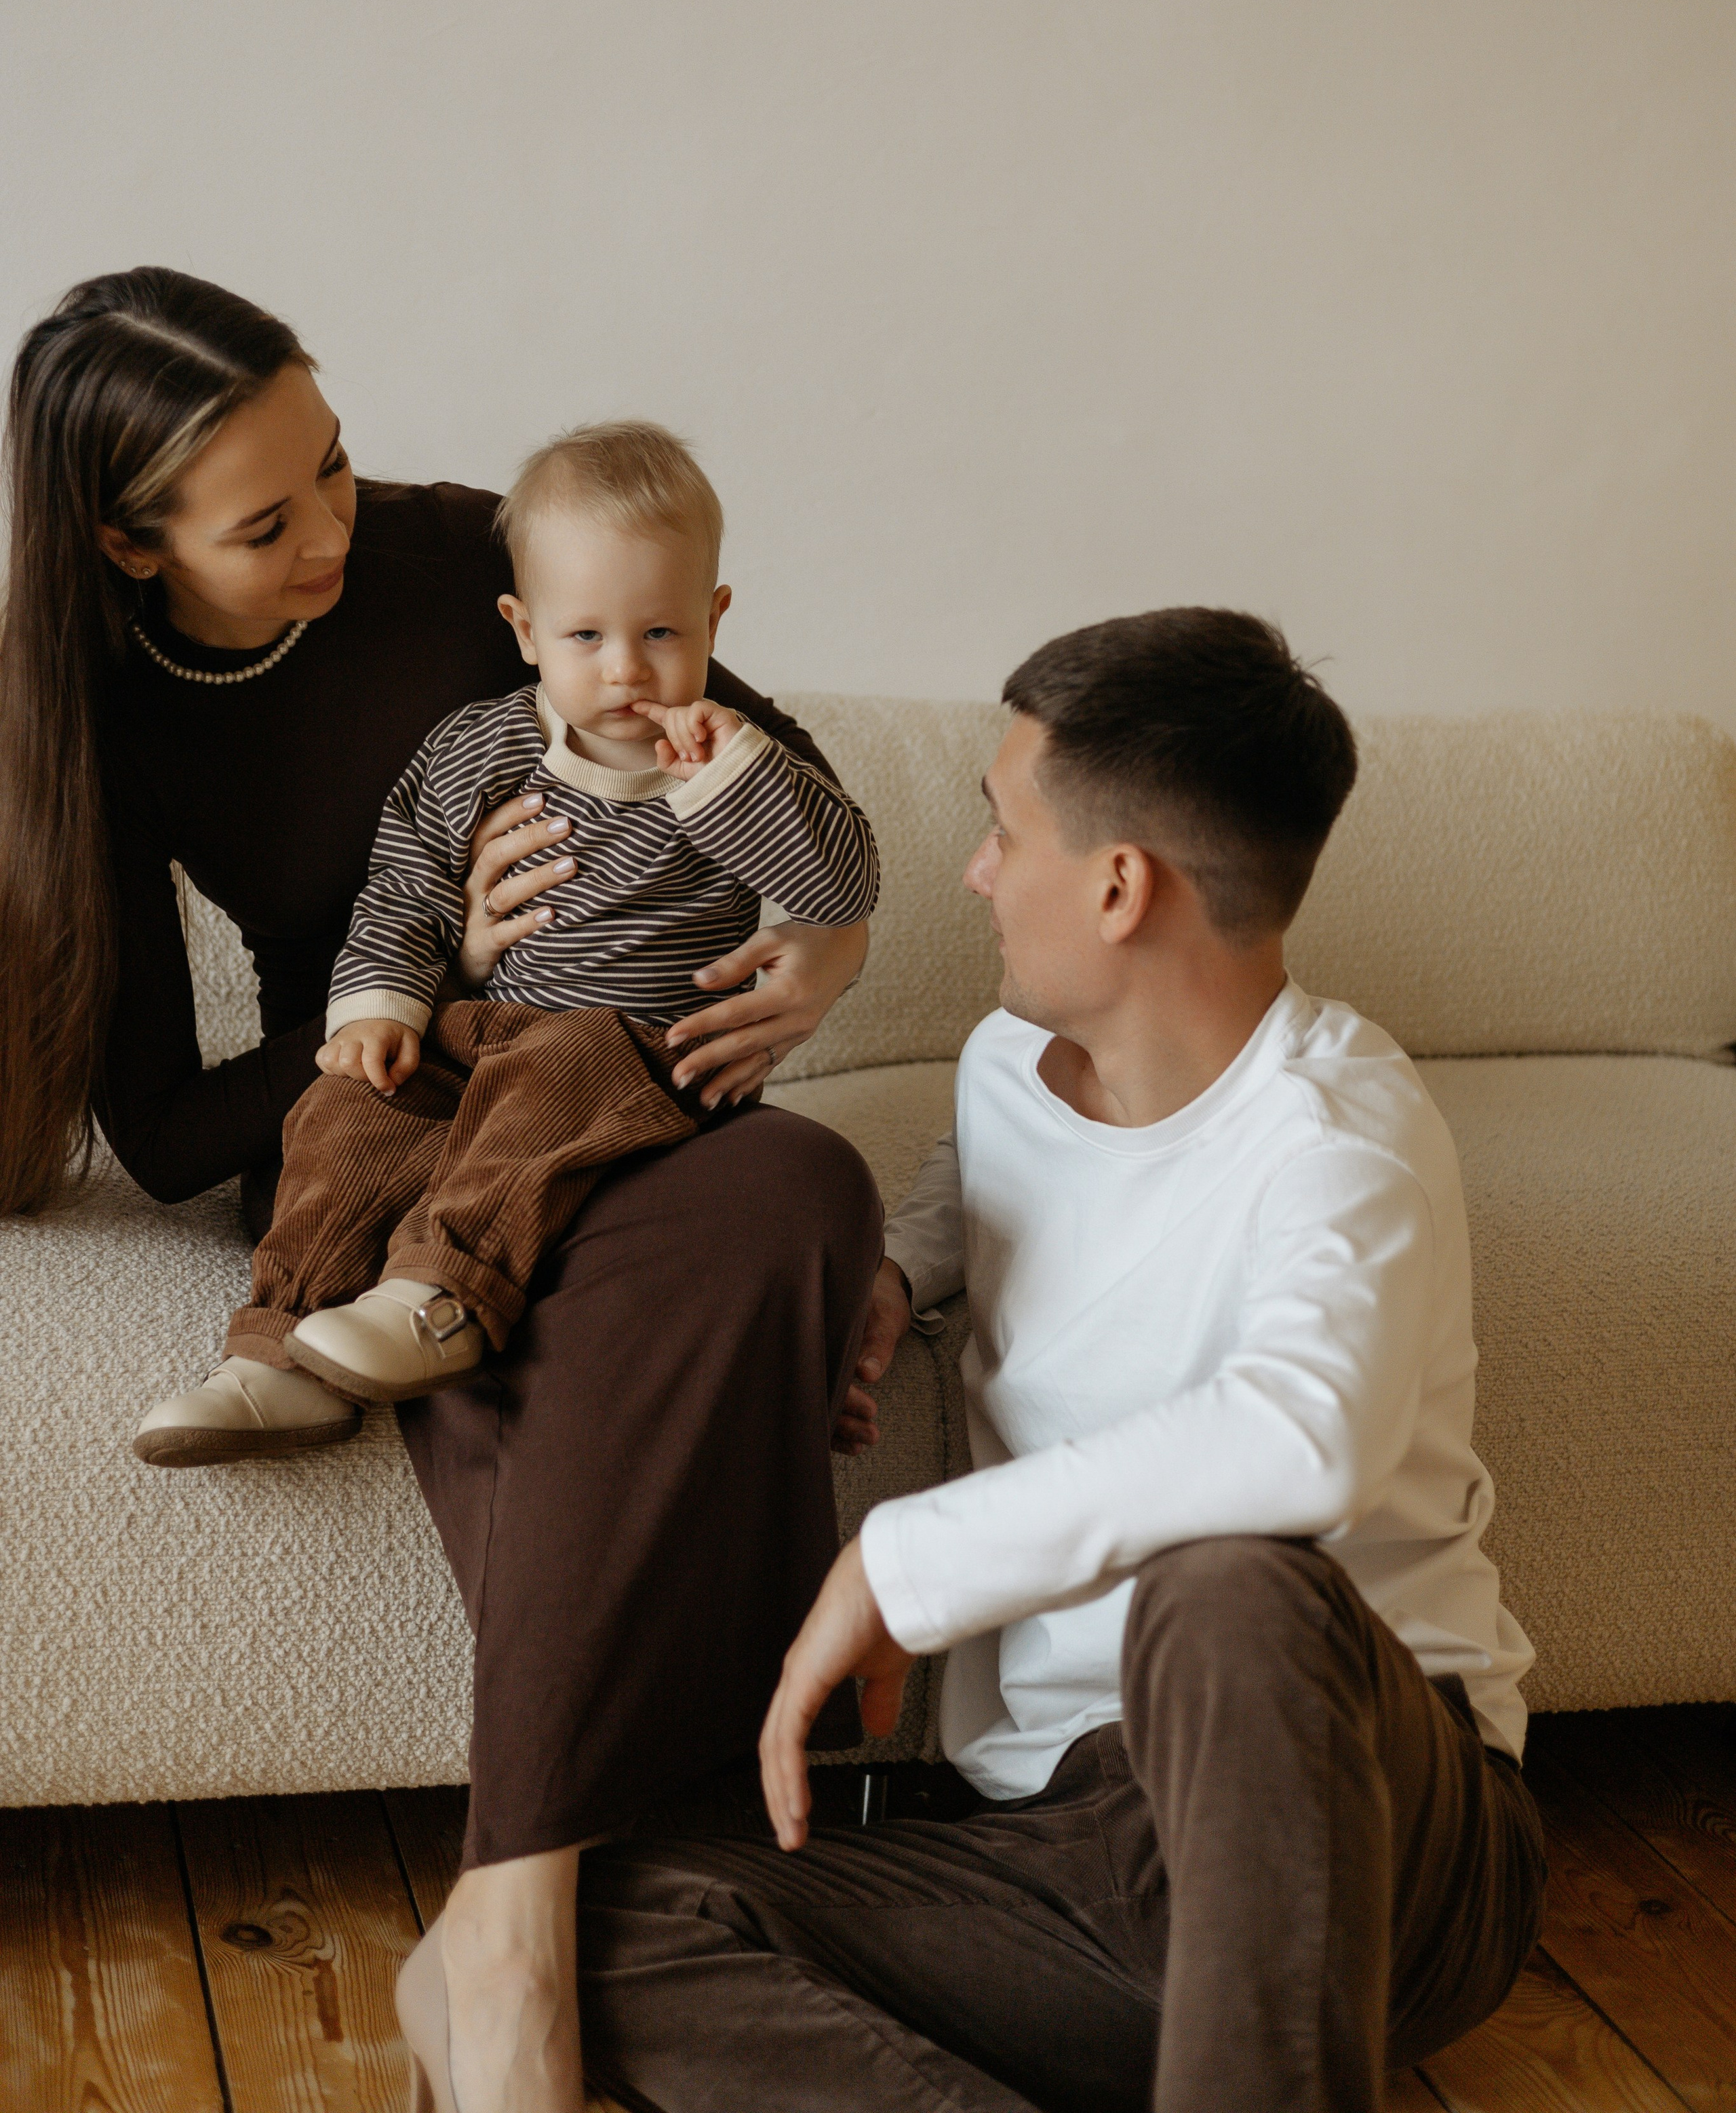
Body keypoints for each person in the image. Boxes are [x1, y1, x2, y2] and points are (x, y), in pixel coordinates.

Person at [0, 268, 899, 2113]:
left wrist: (839, 945)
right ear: (125, 541)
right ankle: (576, 1919)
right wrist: (403, 995)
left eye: (333, 464)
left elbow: (746, 754)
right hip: (391, 1101)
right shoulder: (95, 713)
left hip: (606, 1086)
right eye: (268, 520)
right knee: (483, 1313)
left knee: (802, 1187)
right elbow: (166, 1127)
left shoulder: (467, 558)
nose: (342, 526)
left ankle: (517, 1924)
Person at [574, 609, 1547, 2113]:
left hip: (1365, 1827)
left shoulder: (1340, 1141)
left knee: (1229, 1586)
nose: (973, 872)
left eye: (998, 828)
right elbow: (996, 1183)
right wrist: (898, 1271)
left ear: (1114, 886)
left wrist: (904, 1562)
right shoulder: (1002, 1067)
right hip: (1067, 1850)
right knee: (581, 1939)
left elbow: (1305, 1437)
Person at [133, 419, 879, 1449]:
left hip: (641, 1059)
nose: (626, 671)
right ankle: (278, 1349)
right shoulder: (478, 747)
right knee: (350, 1108)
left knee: (561, 1061)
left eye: (661, 634)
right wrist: (380, 1008)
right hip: (482, 1029)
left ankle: (440, 1294)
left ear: (714, 620)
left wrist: (740, 781)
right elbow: (404, 890)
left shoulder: (730, 770)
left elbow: (839, 883)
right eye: (586, 637)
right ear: (523, 630)